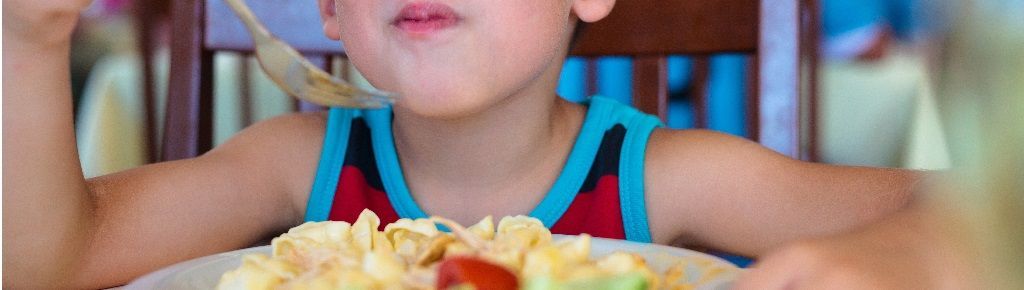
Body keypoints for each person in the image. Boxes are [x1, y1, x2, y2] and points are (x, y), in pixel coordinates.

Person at [4, 0, 941, 288]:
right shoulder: (290, 165)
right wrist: (27, 42)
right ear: (332, 6)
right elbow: (58, 258)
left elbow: (968, 212)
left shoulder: (666, 178)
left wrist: (905, 249)